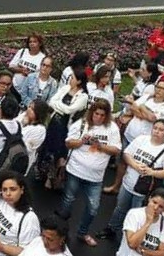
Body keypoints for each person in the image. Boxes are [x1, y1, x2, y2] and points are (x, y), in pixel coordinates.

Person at [54, 100, 122, 247]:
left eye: (102, 115)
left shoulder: (112, 128)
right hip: (75, 170)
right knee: (68, 200)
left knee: (93, 208)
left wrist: (101, 146)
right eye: (96, 114)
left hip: (95, 177)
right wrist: (80, 142)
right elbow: (68, 143)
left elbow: (116, 150)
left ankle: (82, 232)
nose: (99, 117)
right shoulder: (81, 124)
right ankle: (60, 231)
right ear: (92, 112)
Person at [96, 120, 164, 240]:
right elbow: (127, 154)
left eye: (161, 130)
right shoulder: (142, 139)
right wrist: (135, 166)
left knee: (138, 215)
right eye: (155, 128)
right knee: (120, 208)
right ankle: (112, 228)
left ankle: (130, 236)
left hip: (144, 190)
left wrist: (152, 172)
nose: (157, 132)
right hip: (128, 183)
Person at [104, 81, 164, 194]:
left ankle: (129, 188)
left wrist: (140, 108)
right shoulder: (147, 98)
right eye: (157, 87)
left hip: (143, 141)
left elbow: (152, 118)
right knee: (122, 162)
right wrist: (142, 111)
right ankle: (116, 186)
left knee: (135, 165)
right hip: (129, 134)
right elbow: (132, 109)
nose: (158, 90)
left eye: (161, 88)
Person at [37, 70, 89, 190]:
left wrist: (58, 106)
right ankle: (42, 171)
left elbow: (69, 110)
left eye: (73, 78)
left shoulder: (83, 96)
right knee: (47, 147)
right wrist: (61, 107)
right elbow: (52, 101)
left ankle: (53, 177)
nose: (70, 79)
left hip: (65, 127)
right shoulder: (65, 88)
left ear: (79, 81)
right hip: (54, 123)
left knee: (59, 152)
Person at [116, 188, 164, 256]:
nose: (155, 207)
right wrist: (148, 222)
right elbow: (132, 243)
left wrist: (143, 252)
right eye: (154, 202)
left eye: (161, 207)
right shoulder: (134, 214)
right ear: (149, 198)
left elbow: (162, 252)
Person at [15, 99, 51, 176]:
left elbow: (27, 148)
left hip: (20, 161)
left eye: (32, 109)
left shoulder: (40, 130)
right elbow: (11, 126)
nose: (28, 110)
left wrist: (20, 128)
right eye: (29, 107)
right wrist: (22, 123)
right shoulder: (23, 116)